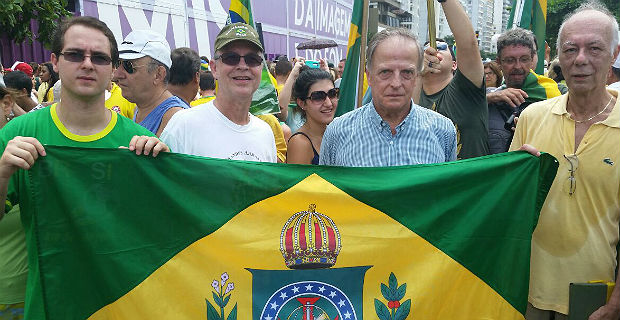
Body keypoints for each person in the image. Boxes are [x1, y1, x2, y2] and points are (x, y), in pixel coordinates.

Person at [0, 16, 168, 319]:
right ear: (55, 61)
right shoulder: (16, 136)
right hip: (51, 305)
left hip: (123, 304)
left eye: (100, 58)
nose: (88, 64)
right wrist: (2, 173)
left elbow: (161, 236)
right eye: (76, 54)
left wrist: (165, 173)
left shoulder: (139, 142)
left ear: (113, 69)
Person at [509, 3, 620, 319]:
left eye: (594, 48)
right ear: (559, 56)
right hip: (528, 292)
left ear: (614, 53)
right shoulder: (532, 117)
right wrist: (515, 175)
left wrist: (616, 304)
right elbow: (511, 208)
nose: (580, 59)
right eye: (570, 49)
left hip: (596, 300)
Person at [320, 28, 456, 167]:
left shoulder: (443, 131)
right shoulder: (337, 133)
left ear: (416, 77)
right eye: (385, 72)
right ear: (369, 76)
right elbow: (326, 188)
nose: (396, 83)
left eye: (406, 72)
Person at [160, 22, 276, 162]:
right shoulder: (184, 124)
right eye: (231, 58)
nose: (243, 66)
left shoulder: (265, 133)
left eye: (252, 59)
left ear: (261, 68)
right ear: (214, 69)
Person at [419, 0, 488, 160]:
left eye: (441, 47)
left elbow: (468, 43)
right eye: (425, 49)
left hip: (469, 182)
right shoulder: (410, 94)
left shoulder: (467, 89)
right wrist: (417, 73)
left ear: (455, 64)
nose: (433, 50)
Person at [487, 28, 561, 154]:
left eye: (524, 59)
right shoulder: (494, 95)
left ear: (532, 59)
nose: (518, 66)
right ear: (499, 62)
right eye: (510, 60)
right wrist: (491, 97)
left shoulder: (548, 91)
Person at [113, 30, 189, 136]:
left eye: (128, 66)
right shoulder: (140, 110)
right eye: (117, 64)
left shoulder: (176, 120)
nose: (117, 75)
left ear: (158, 74)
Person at [287, 68, 337, 165]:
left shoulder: (334, 133)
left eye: (332, 94)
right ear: (302, 103)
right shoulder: (300, 143)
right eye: (318, 96)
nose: (328, 103)